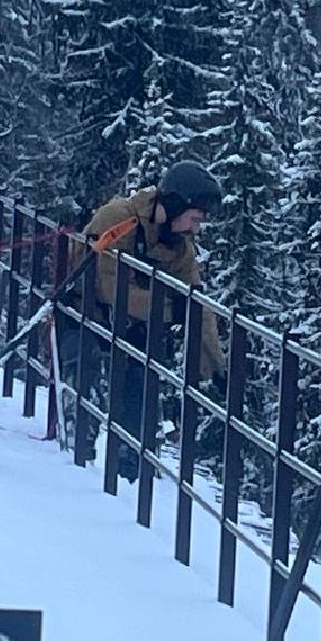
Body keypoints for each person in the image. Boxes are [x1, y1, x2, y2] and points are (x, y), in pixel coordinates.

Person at [57, 160, 228, 482]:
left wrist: (217, 368)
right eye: (194, 219)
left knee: (140, 379)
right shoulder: (117, 219)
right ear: (175, 204)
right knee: (85, 365)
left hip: (132, 325)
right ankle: (76, 457)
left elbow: (197, 304)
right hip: (85, 313)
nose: (196, 229)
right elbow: (108, 286)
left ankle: (132, 465)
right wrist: (171, 310)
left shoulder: (179, 248)